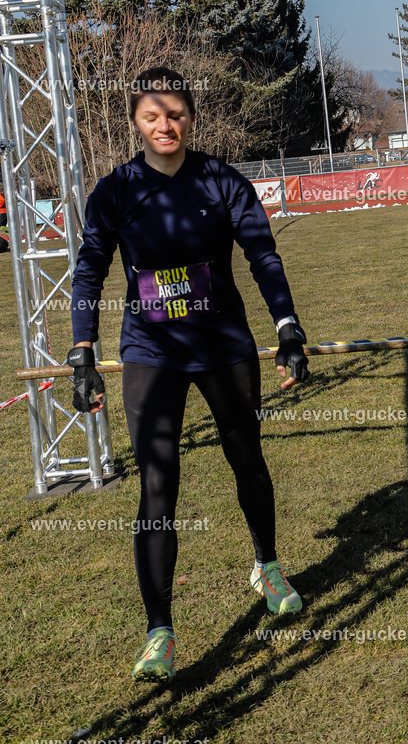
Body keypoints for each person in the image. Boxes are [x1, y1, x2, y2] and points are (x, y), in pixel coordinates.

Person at [69, 66, 309, 683]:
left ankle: (268, 564)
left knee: (247, 458)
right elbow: (91, 268)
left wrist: (287, 329)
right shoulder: (115, 191)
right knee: (158, 484)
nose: (164, 125)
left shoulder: (222, 180)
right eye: (152, 116)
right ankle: (159, 632)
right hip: (151, 352)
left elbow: (263, 253)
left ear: (191, 118)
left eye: (174, 114)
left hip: (223, 346)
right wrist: (82, 349)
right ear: (135, 124)